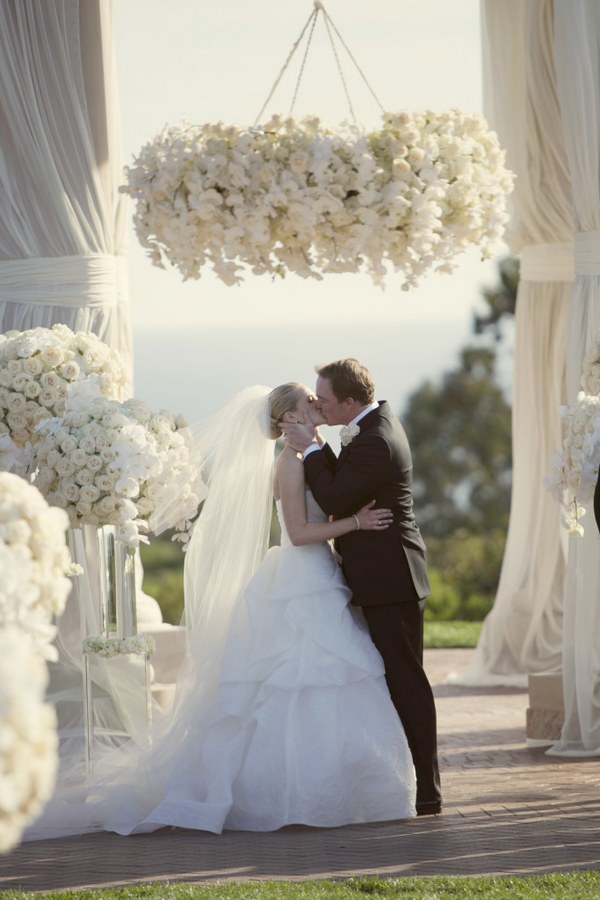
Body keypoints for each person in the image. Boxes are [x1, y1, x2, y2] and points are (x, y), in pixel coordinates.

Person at [27, 383, 416, 840]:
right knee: (295, 682)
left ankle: (348, 793)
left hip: (319, 577)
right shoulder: (290, 464)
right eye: (309, 401)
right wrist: (356, 522)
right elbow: (297, 531)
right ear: (288, 418)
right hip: (301, 577)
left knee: (328, 679)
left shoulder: (312, 453)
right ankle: (287, 795)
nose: (317, 404)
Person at [282, 359, 442, 817]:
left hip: (391, 579)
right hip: (373, 578)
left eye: (326, 400)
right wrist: (317, 450)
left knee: (406, 683)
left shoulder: (375, 440)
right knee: (390, 681)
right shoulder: (368, 426)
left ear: (351, 401)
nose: (319, 405)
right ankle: (405, 783)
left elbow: (333, 500)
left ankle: (427, 793)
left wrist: (313, 446)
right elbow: (342, 489)